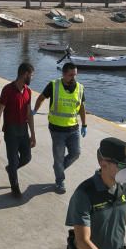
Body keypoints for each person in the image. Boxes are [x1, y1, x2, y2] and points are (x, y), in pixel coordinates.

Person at [33, 62, 87, 194]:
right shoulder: (54, 85)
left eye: (75, 75)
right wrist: (35, 110)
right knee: (58, 156)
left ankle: (58, 167)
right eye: (70, 75)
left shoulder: (80, 88)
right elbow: (41, 98)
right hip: (57, 130)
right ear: (63, 74)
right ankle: (60, 181)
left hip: (73, 128)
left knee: (76, 153)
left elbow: (82, 108)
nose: (73, 77)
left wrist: (84, 124)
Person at [0, 62, 36, 198]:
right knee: (13, 161)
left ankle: (10, 169)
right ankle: (15, 188)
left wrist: (33, 135)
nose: (32, 78)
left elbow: (29, 114)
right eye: (31, 75)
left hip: (23, 130)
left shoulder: (28, 91)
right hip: (11, 131)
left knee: (27, 157)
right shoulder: (8, 90)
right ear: (25, 74)